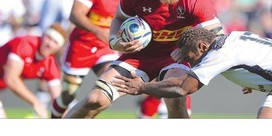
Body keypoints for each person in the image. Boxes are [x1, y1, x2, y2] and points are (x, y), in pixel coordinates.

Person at [63, 0, 224, 119]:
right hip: (139, 57)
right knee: (94, 99)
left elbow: (215, 33)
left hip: (175, 55)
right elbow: (118, 19)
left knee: (176, 100)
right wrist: (115, 42)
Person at [50, 0, 134, 118]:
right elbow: (75, 15)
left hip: (107, 47)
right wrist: (99, 31)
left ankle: (82, 119)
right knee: (67, 95)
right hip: (82, 45)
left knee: (108, 88)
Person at [113, 27, 272, 119]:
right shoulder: (233, 36)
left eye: (191, 58)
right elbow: (258, 56)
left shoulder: (218, 54)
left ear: (203, 46)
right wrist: (252, 80)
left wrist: (142, 87)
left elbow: (184, 87)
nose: (192, 64)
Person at [138, 0, 211, 119]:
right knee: (159, 86)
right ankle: (144, 116)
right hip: (161, 38)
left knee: (180, 84)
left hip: (186, 41)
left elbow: (203, 14)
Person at [0, 23, 67, 118]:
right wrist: (36, 102)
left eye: (55, 42)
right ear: (43, 36)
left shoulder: (50, 65)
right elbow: (11, 79)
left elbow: (58, 100)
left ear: (59, 48)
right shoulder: (26, 44)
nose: (49, 44)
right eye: (48, 38)